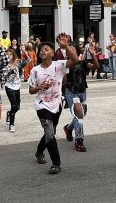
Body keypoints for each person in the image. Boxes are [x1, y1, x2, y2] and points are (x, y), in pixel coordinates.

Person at [28, 33, 79, 175]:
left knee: (50, 132)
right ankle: (56, 163)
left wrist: (65, 46)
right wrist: (39, 88)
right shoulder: (35, 70)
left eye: (46, 49)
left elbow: (75, 60)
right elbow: (31, 90)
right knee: (49, 132)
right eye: (41, 49)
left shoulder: (59, 65)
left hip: (57, 104)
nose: (43, 51)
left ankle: (39, 151)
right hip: (42, 105)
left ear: (52, 53)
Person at [63, 41, 99, 152]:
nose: (71, 51)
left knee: (82, 114)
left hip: (82, 91)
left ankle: (68, 128)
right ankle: (79, 141)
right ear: (67, 54)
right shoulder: (65, 64)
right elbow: (64, 82)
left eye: (73, 49)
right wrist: (64, 71)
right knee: (79, 114)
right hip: (71, 91)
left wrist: (92, 54)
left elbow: (96, 66)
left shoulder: (83, 63)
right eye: (69, 50)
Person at [4, 46, 30, 132]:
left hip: (17, 86)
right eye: (7, 55)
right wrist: (13, 65)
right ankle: (12, 124)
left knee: (17, 107)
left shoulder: (17, 62)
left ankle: (9, 113)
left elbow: (28, 60)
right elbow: (6, 73)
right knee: (14, 105)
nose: (9, 56)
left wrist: (24, 51)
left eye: (10, 54)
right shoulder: (5, 64)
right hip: (9, 86)